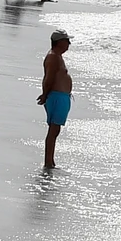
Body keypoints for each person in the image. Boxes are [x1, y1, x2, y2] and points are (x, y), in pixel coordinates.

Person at [39, 30, 73, 169]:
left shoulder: (57, 56)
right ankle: (48, 162)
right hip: (56, 96)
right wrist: (45, 94)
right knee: (53, 130)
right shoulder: (53, 57)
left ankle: (50, 161)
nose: (69, 44)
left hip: (60, 96)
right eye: (67, 41)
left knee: (55, 130)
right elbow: (49, 78)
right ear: (59, 42)